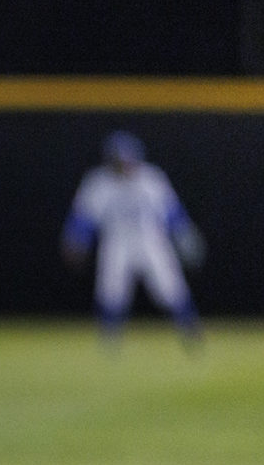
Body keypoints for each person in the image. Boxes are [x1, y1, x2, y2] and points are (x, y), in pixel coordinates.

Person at [61, 131, 205, 348]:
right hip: (117, 240)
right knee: (111, 289)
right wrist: (77, 239)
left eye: (128, 160)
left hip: (151, 239)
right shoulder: (99, 182)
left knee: (170, 287)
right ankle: (109, 339)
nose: (125, 165)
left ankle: (190, 331)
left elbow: (172, 212)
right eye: (120, 160)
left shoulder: (151, 178)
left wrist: (184, 235)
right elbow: (84, 217)